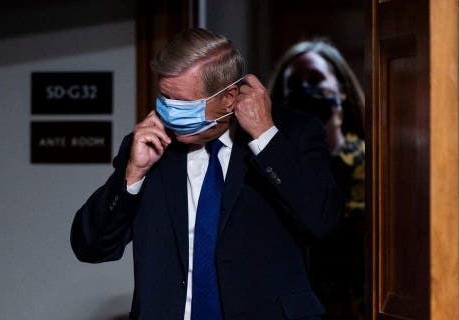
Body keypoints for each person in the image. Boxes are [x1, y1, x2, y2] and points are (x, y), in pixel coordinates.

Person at [71, 28, 341, 320]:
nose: (170, 111)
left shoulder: (293, 134)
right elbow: (91, 247)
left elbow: (322, 222)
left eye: (184, 103)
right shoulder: (148, 144)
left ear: (228, 98)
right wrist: (133, 174)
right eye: (164, 98)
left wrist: (265, 138)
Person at [267, 39, 366, 319]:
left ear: (342, 89)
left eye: (315, 78)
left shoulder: (373, 164)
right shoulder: (276, 167)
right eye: (294, 84)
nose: (305, 90)